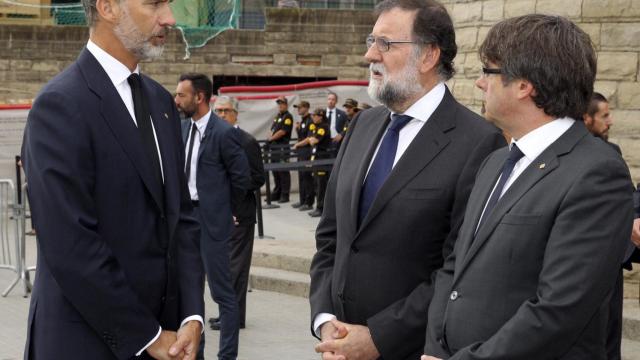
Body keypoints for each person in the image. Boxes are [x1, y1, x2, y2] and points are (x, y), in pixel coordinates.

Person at [423, 14, 634, 360]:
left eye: (487, 71)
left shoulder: (596, 173)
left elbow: (560, 310)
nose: (479, 83)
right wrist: (435, 347)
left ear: (524, 85)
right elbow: (455, 266)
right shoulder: (495, 163)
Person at [310, 1, 505, 359]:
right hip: (336, 345)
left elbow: (458, 268)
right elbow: (331, 238)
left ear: (429, 55)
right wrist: (324, 318)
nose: (369, 54)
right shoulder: (363, 126)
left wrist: (379, 338)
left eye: (385, 44)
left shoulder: (479, 142)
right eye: (372, 41)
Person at [20, 0, 205, 358]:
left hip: (171, 341)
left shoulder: (160, 102)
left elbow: (181, 219)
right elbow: (69, 244)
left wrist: (192, 315)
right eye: (154, 4)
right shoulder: (60, 104)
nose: (169, 17)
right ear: (107, 7)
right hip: (88, 343)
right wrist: (148, 336)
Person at [175, 74, 250, 360]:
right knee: (190, 293)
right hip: (185, 220)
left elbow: (241, 178)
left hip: (211, 222)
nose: (177, 100)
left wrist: (226, 210)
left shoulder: (223, 132)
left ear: (200, 97)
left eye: (182, 95)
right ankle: (197, 353)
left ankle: (227, 356)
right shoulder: (182, 129)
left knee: (223, 295)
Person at [210, 95, 266, 331]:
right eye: (218, 111)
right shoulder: (211, 139)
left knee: (236, 269)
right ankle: (227, 313)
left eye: (226, 110)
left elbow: (257, 178)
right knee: (222, 269)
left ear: (235, 114)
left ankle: (233, 318)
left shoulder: (247, 141)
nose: (221, 115)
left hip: (239, 215)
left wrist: (233, 197)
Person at [293, 108, 332, 218]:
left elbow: (314, 141)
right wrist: (310, 139)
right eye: (313, 115)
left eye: (315, 115)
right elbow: (310, 139)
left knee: (321, 185)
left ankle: (321, 208)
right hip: (316, 158)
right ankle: (318, 206)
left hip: (322, 159)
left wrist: (311, 139)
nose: (313, 117)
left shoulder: (323, 127)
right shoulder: (316, 127)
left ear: (321, 116)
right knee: (316, 183)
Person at [267, 96, 293, 203]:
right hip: (274, 147)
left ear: (286, 105)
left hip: (282, 148)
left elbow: (282, 131)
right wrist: (269, 137)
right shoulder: (278, 116)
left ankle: (285, 195)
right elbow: (272, 129)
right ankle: (277, 193)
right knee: (275, 171)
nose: (280, 105)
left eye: (282, 103)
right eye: (279, 103)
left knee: (283, 171)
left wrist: (271, 138)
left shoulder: (288, 117)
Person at [292, 100, 315, 211]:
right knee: (301, 176)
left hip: (307, 151)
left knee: (307, 176)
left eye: (300, 107)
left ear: (306, 107)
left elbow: (308, 138)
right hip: (301, 151)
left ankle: (309, 202)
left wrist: (297, 144)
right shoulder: (302, 121)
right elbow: (301, 136)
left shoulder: (310, 120)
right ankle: (302, 200)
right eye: (298, 107)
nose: (298, 109)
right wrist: (297, 129)